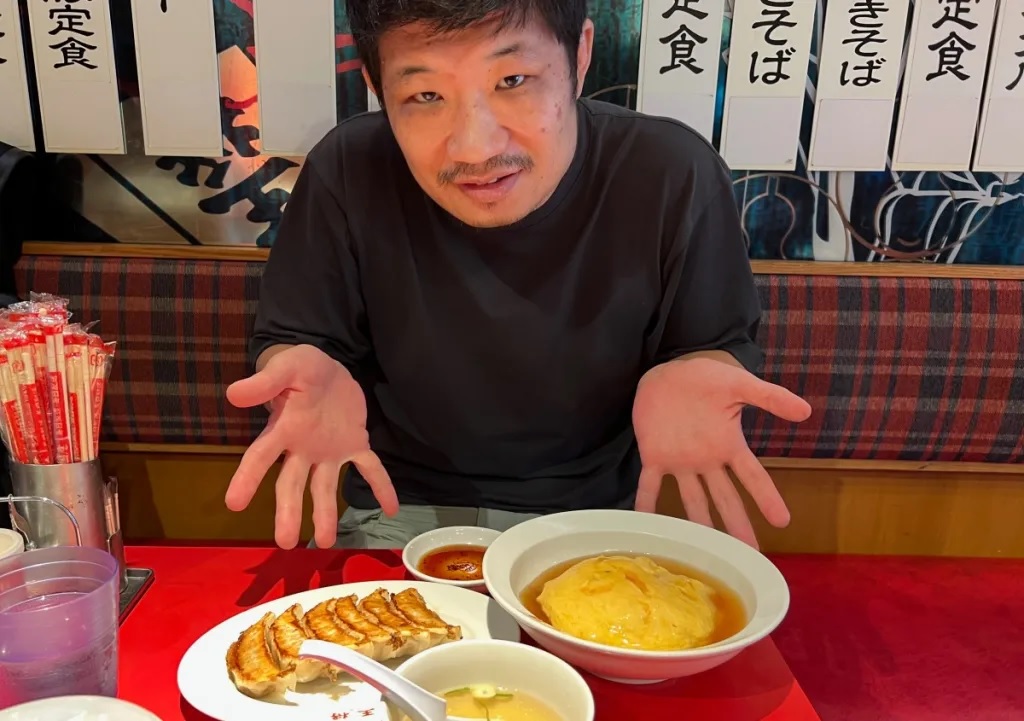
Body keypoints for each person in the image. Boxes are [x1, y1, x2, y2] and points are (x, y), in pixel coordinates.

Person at [226, 0, 812, 551]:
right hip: (397, 511)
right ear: (378, 89)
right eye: (426, 95)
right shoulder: (349, 169)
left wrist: (701, 365)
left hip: (593, 516)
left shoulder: (668, 172)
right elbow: (300, 338)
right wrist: (294, 365)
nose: (475, 147)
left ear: (579, 55)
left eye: (512, 81)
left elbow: (711, 341)